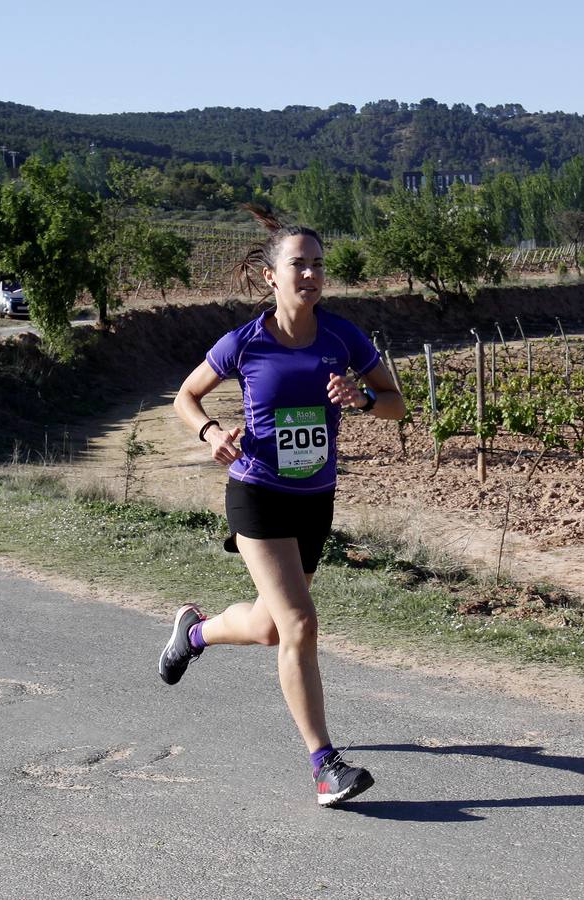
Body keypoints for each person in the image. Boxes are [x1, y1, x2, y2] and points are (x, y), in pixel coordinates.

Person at [164, 211, 406, 807]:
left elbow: (396, 405)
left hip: (314, 500)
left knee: (273, 627)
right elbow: (185, 397)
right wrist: (209, 433)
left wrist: (365, 396)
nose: (311, 273)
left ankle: (194, 634)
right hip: (257, 493)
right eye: (298, 263)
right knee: (301, 623)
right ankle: (325, 765)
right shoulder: (244, 343)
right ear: (271, 277)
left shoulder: (343, 338)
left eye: (319, 264)